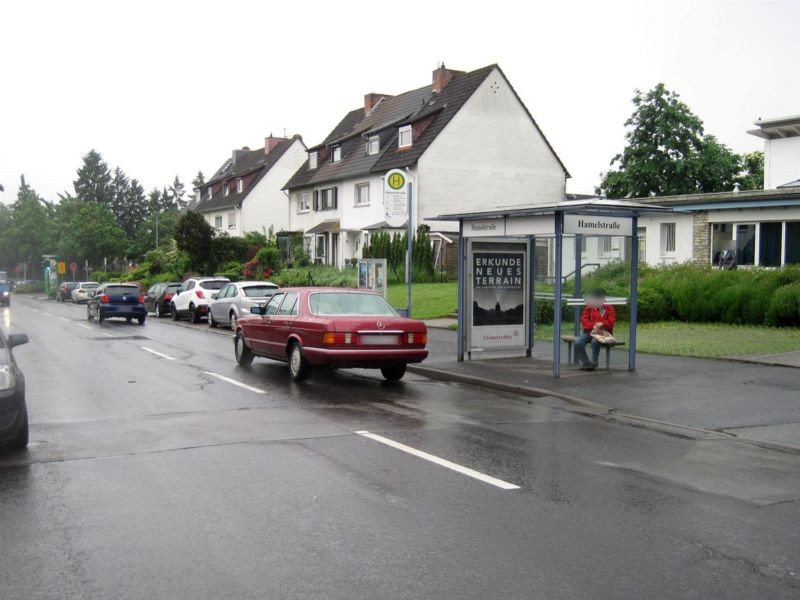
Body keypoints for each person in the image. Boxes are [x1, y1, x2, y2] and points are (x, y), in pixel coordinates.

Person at [575, 288, 617, 371]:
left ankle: (594, 363)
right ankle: (586, 363)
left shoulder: (609, 308)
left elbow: (611, 322)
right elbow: (584, 320)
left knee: (595, 342)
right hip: (589, 331)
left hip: (603, 332)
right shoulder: (589, 307)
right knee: (578, 343)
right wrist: (594, 326)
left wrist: (602, 324)